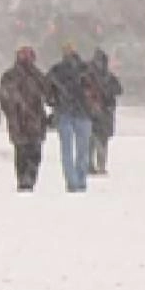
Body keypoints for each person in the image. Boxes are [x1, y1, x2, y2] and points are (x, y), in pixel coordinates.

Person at [0, 46, 51, 191]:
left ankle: (29, 178)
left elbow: (48, 93)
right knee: (23, 152)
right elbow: (5, 98)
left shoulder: (36, 75)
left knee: (32, 152)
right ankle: (24, 179)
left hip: (34, 122)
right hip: (20, 122)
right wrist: (14, 111)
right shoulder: (10, 76)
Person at [46, 43, 92, 192]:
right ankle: (80, 179)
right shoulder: (85, 70)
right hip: (82, 113)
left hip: (65, 112)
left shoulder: (56, 71)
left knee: (67, 150)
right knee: (83, 150)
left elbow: (47, 91)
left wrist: (54, 102)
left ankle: (72, 181)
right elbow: (95, 89)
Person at [87, 49, 123, 175]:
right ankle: (94, 165)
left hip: (100, 111)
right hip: (98, 111)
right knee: (95, 139)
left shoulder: (94, 76)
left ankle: (96, 164)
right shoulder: (96, 77)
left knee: (97, 139)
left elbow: (118, 89)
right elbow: (118, 90)